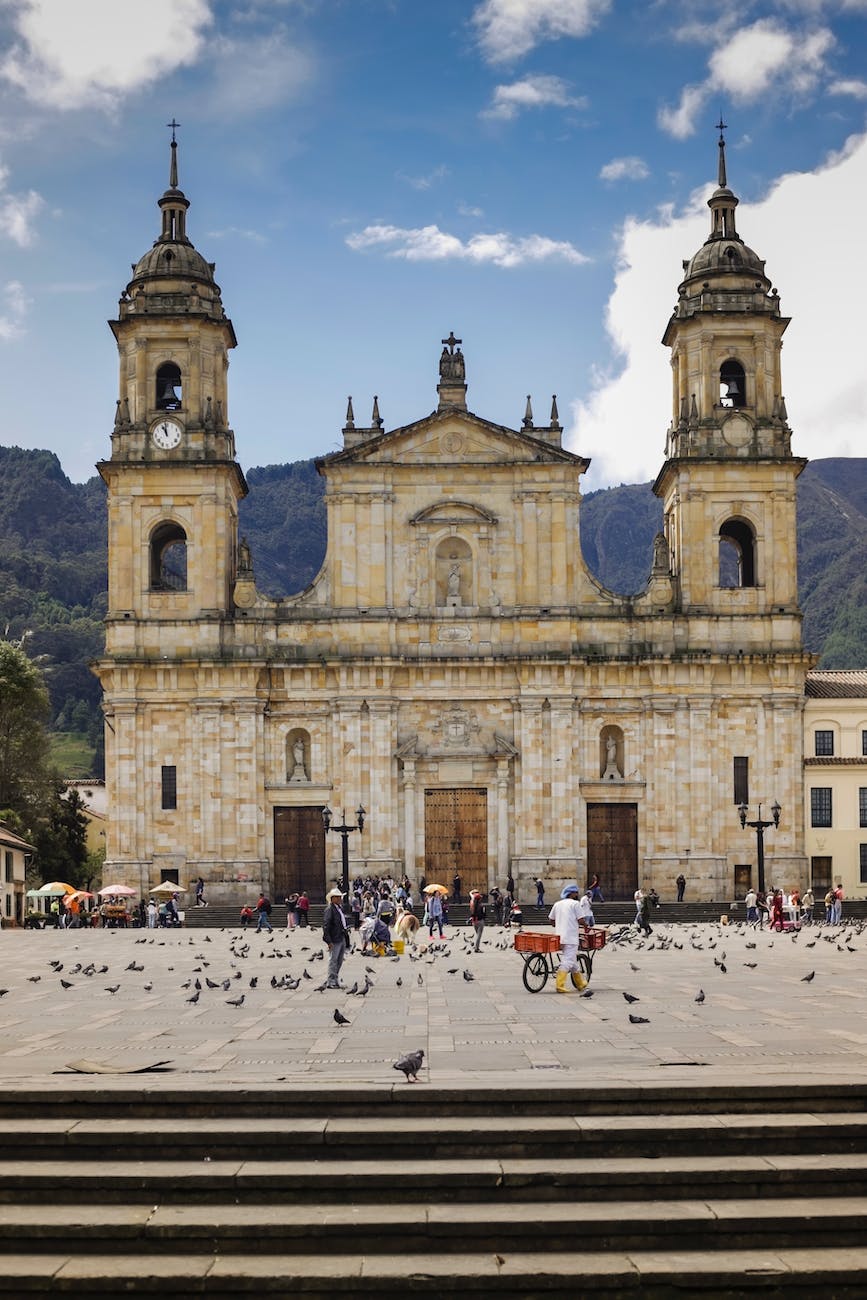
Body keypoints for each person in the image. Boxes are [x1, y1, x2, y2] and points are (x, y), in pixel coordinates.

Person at [548, 884, 592, 993]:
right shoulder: (575, 904)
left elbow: (551, 920)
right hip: (571, 937)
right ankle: (560, 984)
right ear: (571, 893)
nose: (577, 894)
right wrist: (586, 925)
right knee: (568, 961)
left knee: (572, 960)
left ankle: (580, 983)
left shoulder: (557, 904)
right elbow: (581, 920)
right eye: (576, 892)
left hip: (560, 937)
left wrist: (559, 923)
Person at [322, 887, 350, 988]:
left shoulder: (338, 908)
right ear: (332, 898)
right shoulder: (330, 910)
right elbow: (326, 925)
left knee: (339, 960)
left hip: (341, 936)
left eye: (340, 897)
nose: (340, 899)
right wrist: (329, 941)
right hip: (334, 938)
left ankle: (335, 978)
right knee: (333, 960)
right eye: (338, 897)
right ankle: (331, 981)